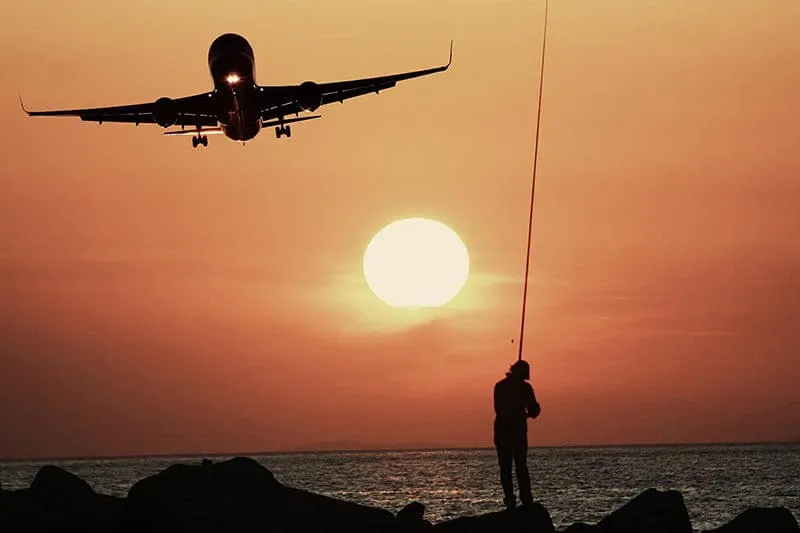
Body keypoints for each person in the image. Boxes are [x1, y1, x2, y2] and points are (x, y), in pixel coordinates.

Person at [493, 359, 541, 510]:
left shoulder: (500, 386)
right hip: (515, 432)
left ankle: (511, 499)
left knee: (506, 467)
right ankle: (524, 498)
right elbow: (533, 411)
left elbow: (499, 410)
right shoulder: (524, 388)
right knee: (519, 466)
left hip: (503, 432)